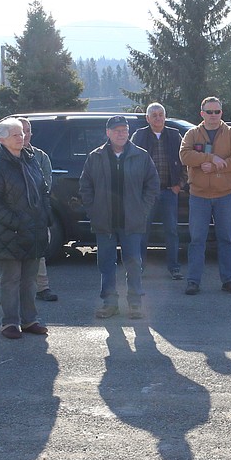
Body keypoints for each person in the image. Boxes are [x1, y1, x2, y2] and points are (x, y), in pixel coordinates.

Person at [80, 115, 159, 319]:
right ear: (108, 133)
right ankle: (109, 303)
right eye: (116, 130)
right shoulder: (95, 156)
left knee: (133, 262)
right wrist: (94, 211)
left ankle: (135, 303)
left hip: (132, 221)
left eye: (124, 129)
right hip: (104, 222)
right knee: (106, 263)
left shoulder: (141, 156)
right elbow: (85, 186)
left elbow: (152, 185)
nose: (121, 133)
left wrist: (143, 209)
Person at [0, 117, 50, 339]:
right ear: (2, 139)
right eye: (15, 134)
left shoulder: (31, 160)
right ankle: (10, 322)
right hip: (9, 233)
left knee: (29, 279)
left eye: (21, 133)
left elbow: (42, 191)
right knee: (11, 279)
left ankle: (30, 319)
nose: (21, 137)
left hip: (33, 230)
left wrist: (44, 217)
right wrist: (15, 223)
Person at [179, 96, 231, 296]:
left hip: (225, 195)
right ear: (202, 114)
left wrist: (217, 164)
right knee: (197, 240)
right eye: (209, 112)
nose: (213, 115)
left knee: (226, 239)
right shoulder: (192, 134)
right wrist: (207, 158)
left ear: (221, 113)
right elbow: (184, 155)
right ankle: (193, 281)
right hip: (199, 196)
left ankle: (228, 280)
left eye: (217, 112)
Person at [131, 102, 186, 280]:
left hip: (170, 191)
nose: (158, 117)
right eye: (153, 115)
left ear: (165, 116)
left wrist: (180, 184)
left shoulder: (175, 135)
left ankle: (174, 268)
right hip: (146, 194)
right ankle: (139, 268)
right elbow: (129, 163)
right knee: (142, 231)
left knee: (171, 231)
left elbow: (186, 161)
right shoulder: (139, 136)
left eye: (160, 114)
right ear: (147, 118)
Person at [20, 117, 59, 302]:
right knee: (12, 254)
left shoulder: (40, 156)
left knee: (38, 251)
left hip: (36, 213)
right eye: (20, 131)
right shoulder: (0, 156)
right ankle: (11, 291)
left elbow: (46, 184)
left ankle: (42, 287)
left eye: (27, 130)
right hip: (12, 214)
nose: (24, 135)